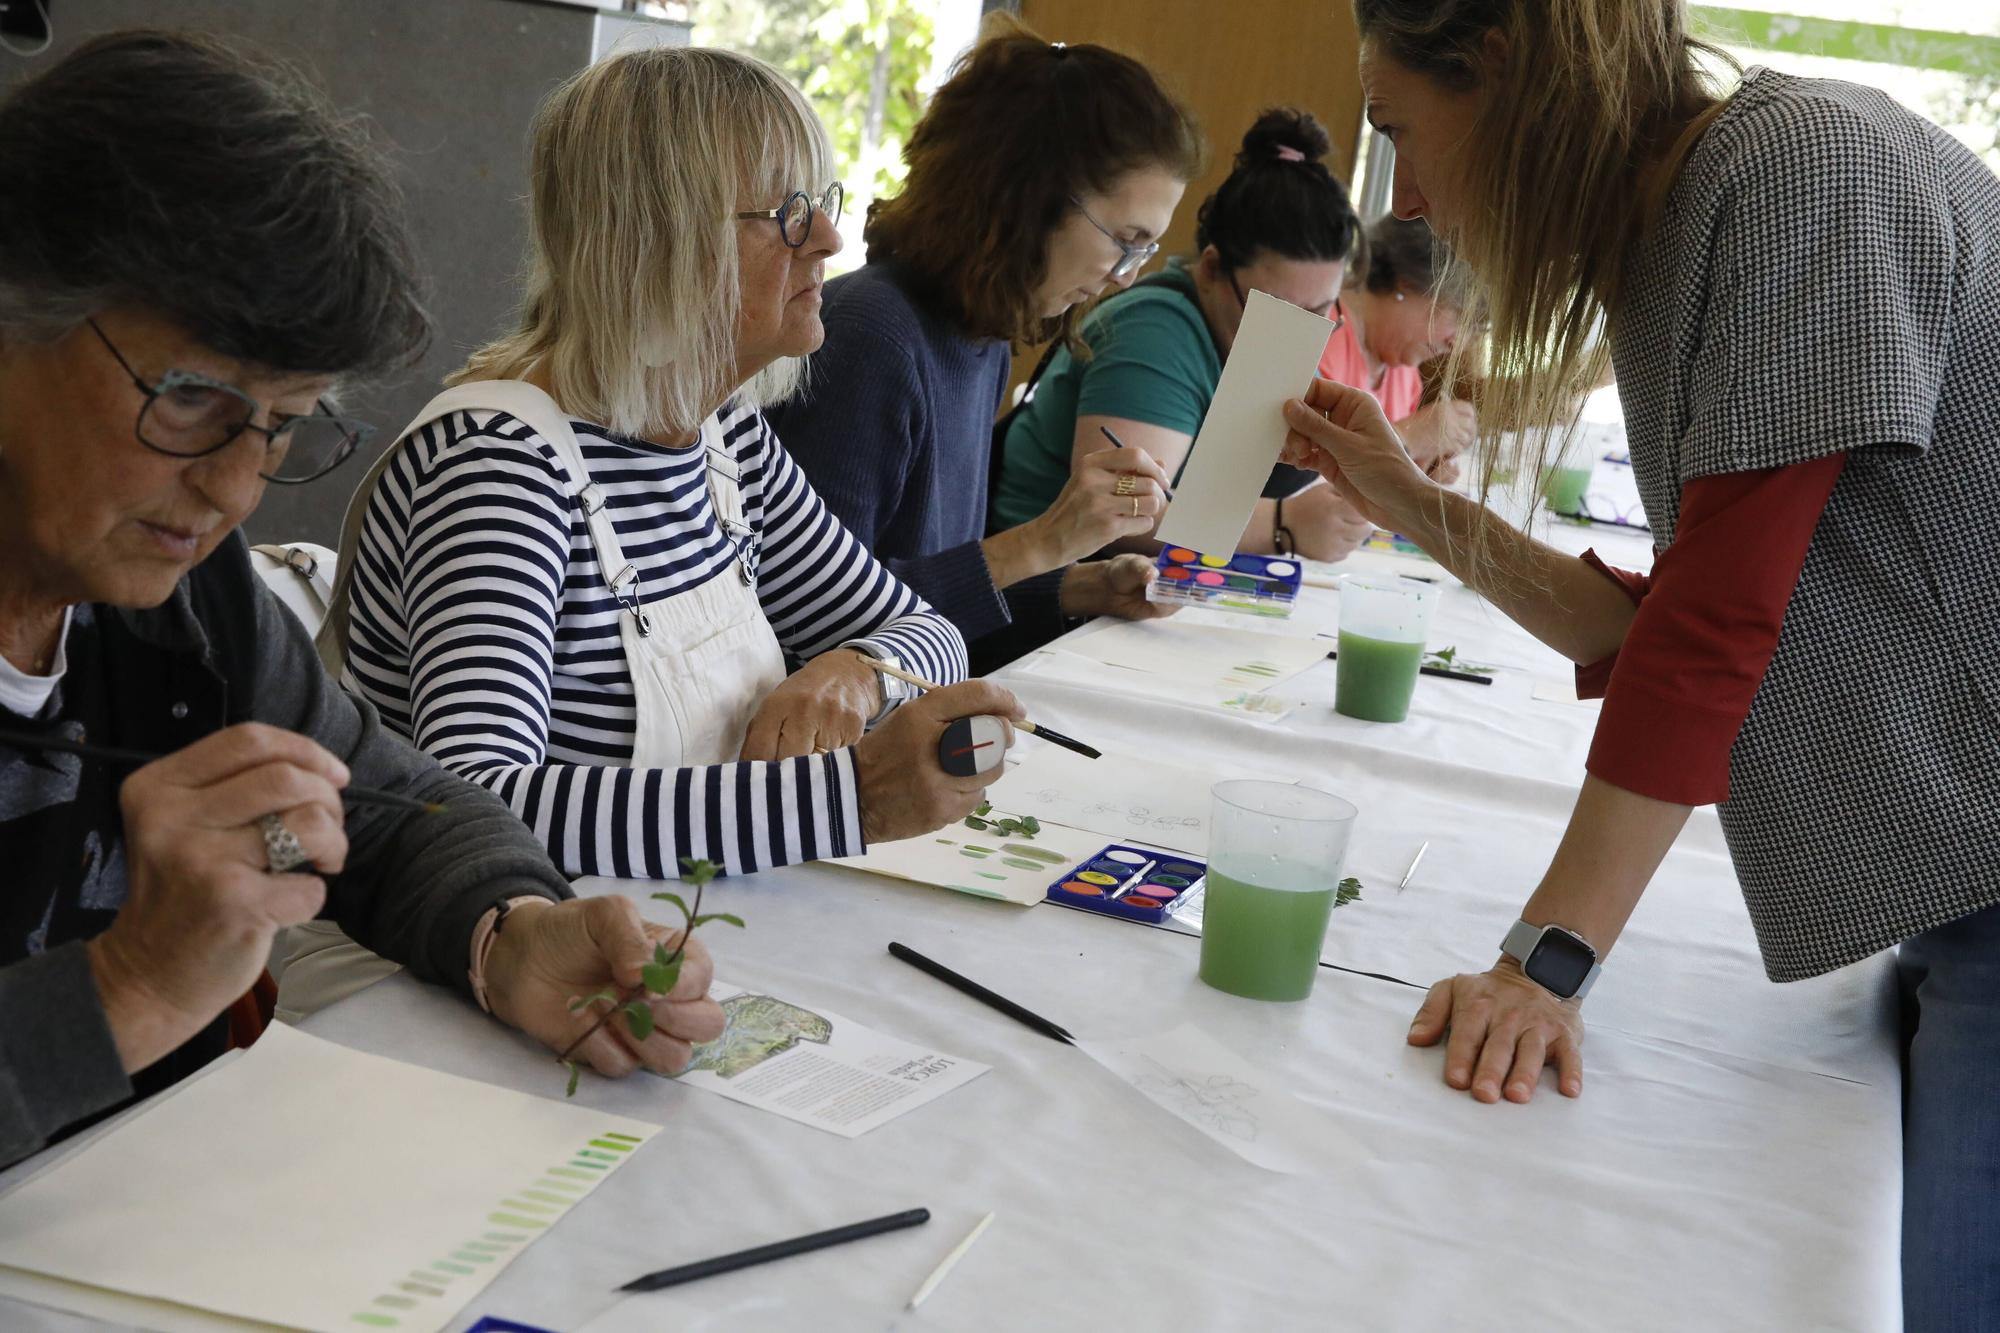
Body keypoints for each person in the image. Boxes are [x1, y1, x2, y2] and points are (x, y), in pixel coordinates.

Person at [1278, 1, 1999, 1321]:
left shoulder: (1808, 176)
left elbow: (1717, 630)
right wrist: (1404, 496)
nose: (1419, 190)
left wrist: (1543, 962)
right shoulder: (1693, 215)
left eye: (1405, 130)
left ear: (1499, 64)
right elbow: (1661, 629)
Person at [0, 32, 727, 1168]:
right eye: (191, 400)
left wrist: (510, 933)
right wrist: (129, 986)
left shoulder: (183, 604)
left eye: (283, 426)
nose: (235, 489)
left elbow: (388, 810)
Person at [337, 46, 1018, 884]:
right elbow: (475, 802)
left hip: (680, 911)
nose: (832, 238)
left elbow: (932, 634)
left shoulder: (722, 437)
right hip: (502, 957)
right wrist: (850, 798)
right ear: (653, 240)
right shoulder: (501, 466)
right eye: (790, 211)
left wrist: (859, 673)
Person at [765, 17, 1199, 668]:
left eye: (1148, 248)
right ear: (1027, 199)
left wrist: (1080, 586)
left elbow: (936, 613)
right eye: (1125, 239)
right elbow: (812, 630)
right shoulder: (868, 337)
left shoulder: (980, 338)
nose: (1128, 274)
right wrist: (1045, 541)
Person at [993, 109, 1463, 565]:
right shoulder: (1153, 331)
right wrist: (1286, 523)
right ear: (1214, 269)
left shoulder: (1247, 333)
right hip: (1045, 598)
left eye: (1321, 313)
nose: (1295, 335)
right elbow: (1123, 515)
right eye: (1279, 310)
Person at [1323, 214, 1475, 465]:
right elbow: (1302, 481)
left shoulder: (1405, 375)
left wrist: (1423, 467)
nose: (1456, 345)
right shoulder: (1320, 333)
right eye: (1460, 316)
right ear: (1408, 282)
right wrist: (1407, 437)